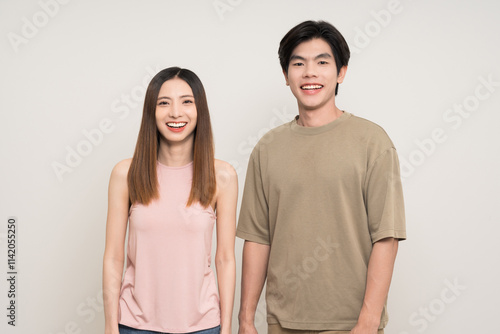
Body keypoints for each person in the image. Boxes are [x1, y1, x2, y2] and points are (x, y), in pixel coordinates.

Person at [236, 20, 406, 334]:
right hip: (283, 322)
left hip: (352, 324)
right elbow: (258, 238)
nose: (310, 73)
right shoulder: (267, 148)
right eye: (298, 63)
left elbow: (387, 236)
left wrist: (367, 322)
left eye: (322, 62)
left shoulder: (372, 141)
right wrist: (245, 319)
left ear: (341, 72)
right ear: (286, 76)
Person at [103, 67, 237, 334]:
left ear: (200, 110)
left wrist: (227, 327)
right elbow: (114, 257)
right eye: (164, 103)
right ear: (151, 112)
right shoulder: (125, 174)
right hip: (134, 325)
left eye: (187, 101)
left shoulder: (222, 176)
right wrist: (109, 326)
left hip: (203, 326)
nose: (176, 112)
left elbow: (225, 258)